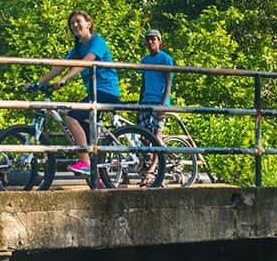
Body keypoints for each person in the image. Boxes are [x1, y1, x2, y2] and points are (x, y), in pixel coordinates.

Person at [31, 10, 119, 176]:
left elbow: (85, 62)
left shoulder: (97, 41)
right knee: (83, 131)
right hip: (93, 93)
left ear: (89, 23)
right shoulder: (78, 47)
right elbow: (62, 65)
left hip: (105, 91)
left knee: (71, 117)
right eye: (72, 24)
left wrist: (65, 79)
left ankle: (84, 163)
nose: (75, 26)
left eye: (78, 21)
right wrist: (38, 83)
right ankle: (96, 178)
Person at [137, 29, 174, 139]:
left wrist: (163, 105)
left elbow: (168, 83)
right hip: (146, 100)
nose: (150, 42)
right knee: (144, 135)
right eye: (148, 40)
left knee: (157, 133)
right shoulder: (145, 60)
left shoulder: (165, 59)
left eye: (153, 39)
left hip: (159, 100)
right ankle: (148, 155)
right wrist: (139, 104)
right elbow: (143, 83)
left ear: (159, 41)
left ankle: (158, 156)